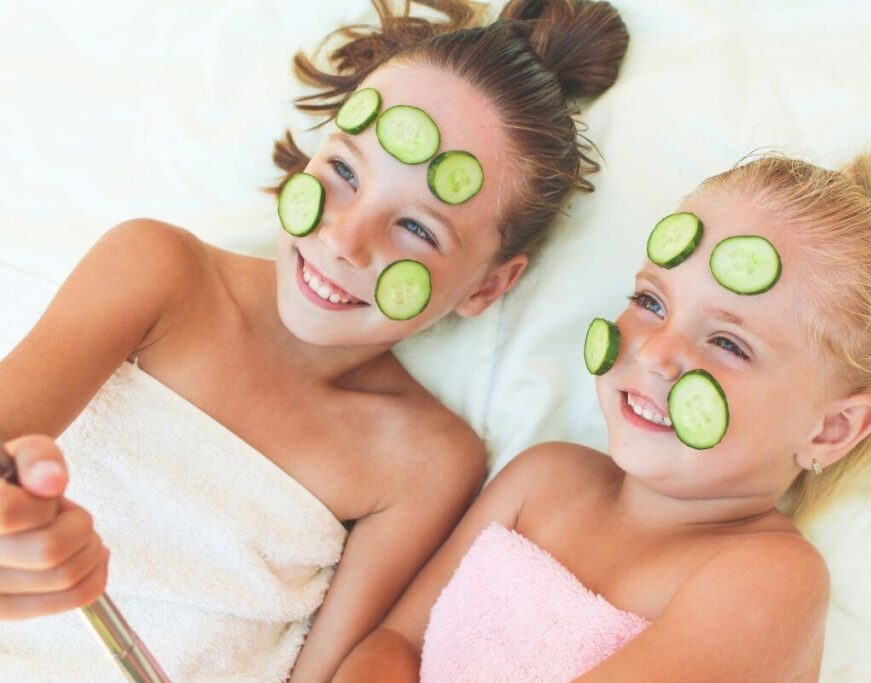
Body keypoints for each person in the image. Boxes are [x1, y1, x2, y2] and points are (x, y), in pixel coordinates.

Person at [0, 1, 629, 680]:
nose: (344, 239)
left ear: (487, 287)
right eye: (345, 173)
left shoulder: (425, 462)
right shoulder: (157, 271)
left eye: (417, 228)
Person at [336, 151, 871, 682]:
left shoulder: (770, 579)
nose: (653, 352)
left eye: (728, 343)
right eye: (651, 301)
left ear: (831, 431)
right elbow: (393, 645)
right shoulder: (541, 478)